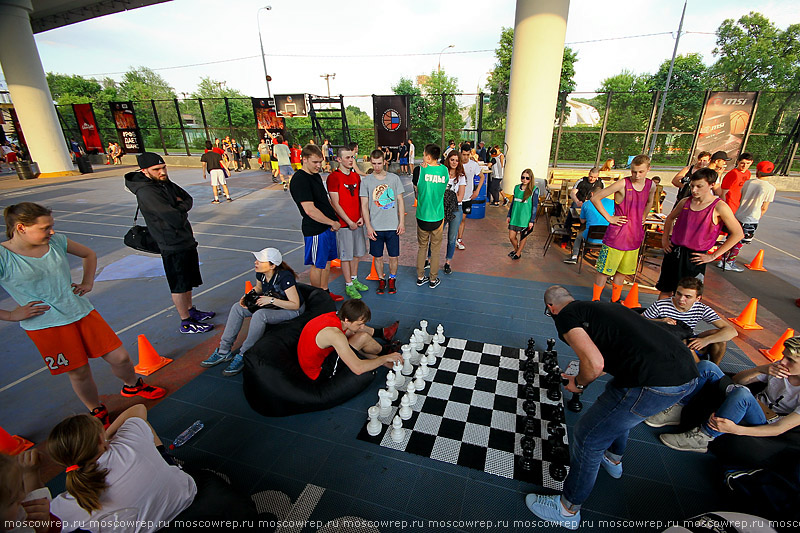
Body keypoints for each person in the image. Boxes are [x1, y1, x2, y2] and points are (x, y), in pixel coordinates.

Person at [526, 285, 699, 530]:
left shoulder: (566, 316)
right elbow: (614, 351)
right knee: (618, 406)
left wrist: (580, 384)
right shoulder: (600, 307)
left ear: (551, 308)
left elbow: (595, 364)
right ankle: (613, 459)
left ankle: (567, 510)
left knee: (588, 436)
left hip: (656, 381)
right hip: (687, 373)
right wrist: (587, 371)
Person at [0, 203, 166, 428]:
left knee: (120, 357)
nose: (52, 232)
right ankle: (96, 409)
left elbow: (89, 254)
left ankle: (133, 385)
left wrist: (88, 282)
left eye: (52, 226)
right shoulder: (4, 257)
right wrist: (11, 314)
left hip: (81, 311)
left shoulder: (56, 242)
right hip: (46, 325)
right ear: (21, 228)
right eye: (45, 228)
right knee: (79, 372)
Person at [47, 404, 256, 532]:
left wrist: (30, 474)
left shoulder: (74, 498)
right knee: (144, 428)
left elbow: (41, 524)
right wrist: (109, 436)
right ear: (99, 440)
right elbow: (138, 409)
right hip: (196, 499)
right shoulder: (128, 442)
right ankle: (169, 461)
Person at [655, 337, 800, 453]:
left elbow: (779, 428)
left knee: (742, 394)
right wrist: (762, 369)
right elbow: (737, 380)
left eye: (790, 361)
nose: (783, 362)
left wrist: (737, 430)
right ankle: (679, 407)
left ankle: (703, 437)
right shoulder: (779, 369)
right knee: (707, 366)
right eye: (783, 356)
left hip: (765, 419)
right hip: (750, 401)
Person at [125, 153, 215, 334]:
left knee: (188, 280)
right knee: (178, 284)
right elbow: (172, 216)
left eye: (163, 167)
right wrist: (179, 207)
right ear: (144, 171)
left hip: (184, 240)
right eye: (156, 169)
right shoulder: (147, 192)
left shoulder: (164, 184)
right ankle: (186, 321)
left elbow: (187, 198)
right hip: (171, 243)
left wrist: (179, 206)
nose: (162, 172)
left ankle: (191, 310)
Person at [201, 248, 304, 376]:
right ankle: (223, 351)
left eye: (260, 261)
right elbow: (259, 288)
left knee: (260, 315)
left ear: (272, 265)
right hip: (272, 304)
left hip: (290, 309)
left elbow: (295, 305)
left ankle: (244, 354)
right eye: (257, 260)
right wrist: (248, 295)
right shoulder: (260, 274)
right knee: (237, 308)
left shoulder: (284, 277)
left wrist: (271, 300)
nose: (256, 262)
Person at [656, 168, 743, 300]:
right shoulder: (685, 202)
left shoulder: (719, 207)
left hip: (695, 257)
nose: (694, 190)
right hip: (675, 252)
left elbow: (738, 234)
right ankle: (659, 319)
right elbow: (669, 218)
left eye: (699, 186)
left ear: (711, 185)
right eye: (692, 186)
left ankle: (682, 320)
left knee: (688, 295)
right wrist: (665, 240)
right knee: (666, 290)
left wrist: (713, 255)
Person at [590, 154, 655, 302]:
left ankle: (615, 300)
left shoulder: (651, 185)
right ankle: (596, 300)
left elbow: (650, 201)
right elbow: (595, 198)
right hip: (617, 236)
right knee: (604, 270)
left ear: (648, 169)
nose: (636, 175)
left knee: (623, 271)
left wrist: (644, 216)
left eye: (640, 172)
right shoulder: (623, 184)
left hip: (634, 236)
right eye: (633, 171)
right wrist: (609, 218)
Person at [288, 144, 343, 302]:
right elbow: (310, 210)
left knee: (326, 263)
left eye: (320, 162)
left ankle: (325, 293)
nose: (319, 165)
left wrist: (334, 219)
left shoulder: (316, 176)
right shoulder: (300, 180)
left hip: (327, 228)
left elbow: (324, 201)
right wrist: (332, 222)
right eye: (315, 162)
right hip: (315, 230)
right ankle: (316, 298)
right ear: (304, 159)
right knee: (317, 265)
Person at [297, 299, 403, 381]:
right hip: (318, 372)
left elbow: (354, 342)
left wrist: (384, 361)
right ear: (347, 320)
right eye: (359, 324)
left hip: (319, 356)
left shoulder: (336, 316)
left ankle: (385, 352)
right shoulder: (335, 335)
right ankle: (385, 352)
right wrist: (383, 359)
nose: (363, 327)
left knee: (362, 336)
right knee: (361, 337)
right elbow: (358, 369)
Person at [643, 277, 737, 365]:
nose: (681, 299)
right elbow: (638, 321)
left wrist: (706, 341)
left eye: (687, 297)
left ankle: (713, 367)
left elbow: (732, 331)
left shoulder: (701, 308)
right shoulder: (661, 305)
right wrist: (660, 321)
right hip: (667, 341)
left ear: (698, 299)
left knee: (719, 338)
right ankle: (700, 370)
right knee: (686, 347)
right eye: (679, 294)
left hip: (688, 338)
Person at [718, 160, 777, 271]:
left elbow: (740, 197)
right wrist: (758, 217)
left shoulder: (748, 183)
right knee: (740, 242)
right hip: (751, 218)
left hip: (739, 214)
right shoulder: (770, 188)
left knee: (730, 238)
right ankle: (729, 262)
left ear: (758, 171)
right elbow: (764, 207)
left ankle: (723, 260)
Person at [361, 149, 405, 294]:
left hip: (392, 226)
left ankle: (392, 279)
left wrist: (401, 222)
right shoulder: (366, 181)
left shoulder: (393, 179)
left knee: (394, 256)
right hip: (376, 227)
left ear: (384, 162)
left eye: (379, 163)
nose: (377, 166)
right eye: (374, 163)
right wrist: (368, 226)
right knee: (377, 256)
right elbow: (364, 206)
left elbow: (400, 201)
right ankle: (381, 279)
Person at [327, 147, 369, 300]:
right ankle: (348, 285)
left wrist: (361, 217)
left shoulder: (356, 177)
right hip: (345, 225)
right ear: (339, 159)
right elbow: (335, 204)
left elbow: (360, 199)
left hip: (357, 223)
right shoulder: (333, 178)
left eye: (352, 157)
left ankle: (354, 278)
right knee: (346, 256)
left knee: (357, 253)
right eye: (347, 157)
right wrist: (348, 221)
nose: (351, 160)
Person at [414, 144, 448, 289]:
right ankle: (433, 279)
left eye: (423, 154)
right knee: (435, 250)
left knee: (422, 247)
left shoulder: (419, 170)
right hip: (437, 217)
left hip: (422, 216)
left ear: (428, 157)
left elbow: (416, 190)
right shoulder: (444, 170)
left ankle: (421, 277)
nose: (422, 157)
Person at [1, 451, 61, 533]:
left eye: (20, 489)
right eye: (13, 501)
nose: (22, 496)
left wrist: (44, 527)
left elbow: (56, 525)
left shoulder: (16, 514)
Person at [563, 183, 611, 264]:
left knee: (578, 237)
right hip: (606, 237)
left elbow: (582, 221)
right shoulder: (612, 203)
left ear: (592, 194)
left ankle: (574, 257)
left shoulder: (587, 204)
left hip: (590, 236)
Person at [441, 150, 467, 274]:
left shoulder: (461, 177)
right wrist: (452, 195)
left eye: (457, 160)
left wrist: (446, 195)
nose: (454, 162)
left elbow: (460, 197)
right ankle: (429, 260)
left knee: (452, 238)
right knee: (436, 235)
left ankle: (448, 262)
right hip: (441, 208)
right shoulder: (442, 173)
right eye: (452, 160)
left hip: (456, 208)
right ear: (448, 160)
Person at [456, 143, 484, 250]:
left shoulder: (474, 165)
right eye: (464, 154)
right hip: (456, 197)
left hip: (467, 197)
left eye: (468, 155)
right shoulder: (456, 163)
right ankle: (453, 238)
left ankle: (459, 239)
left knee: (462, 218)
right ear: (460, 153)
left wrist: (477, 191)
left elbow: (481, 177)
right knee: (455, 219)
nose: (466, 157)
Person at [506, 169, 539, 260]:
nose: (524, 179)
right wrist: (509, 215)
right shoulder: (516, 187)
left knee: (523, 236)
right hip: (515, 216)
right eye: (523, 177)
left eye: (527, 178)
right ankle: (516, 250)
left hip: (525, 217)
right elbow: (513, 203)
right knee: (511, 236)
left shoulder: (534, 190)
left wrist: (532, 220)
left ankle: (518, 253)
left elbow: (534, 206)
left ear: (531, 179)